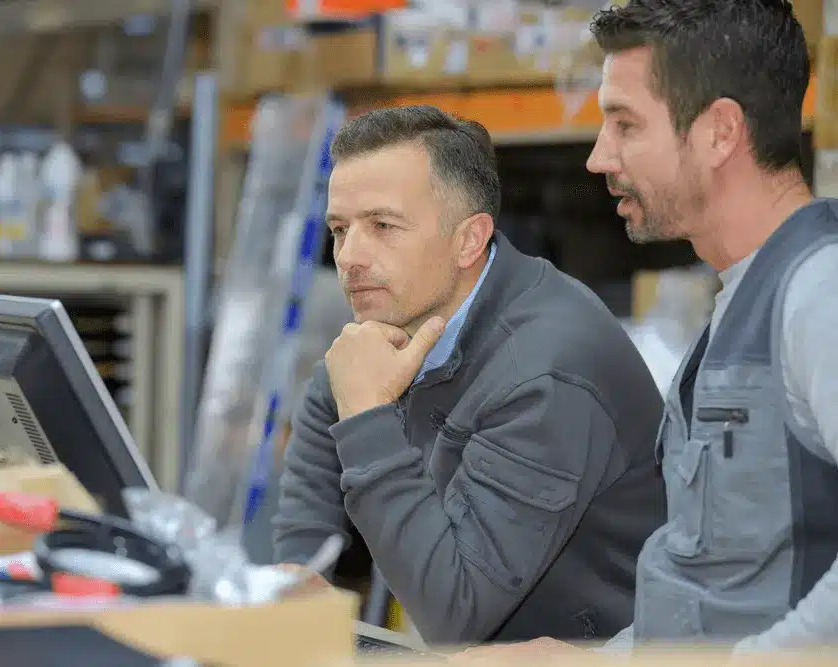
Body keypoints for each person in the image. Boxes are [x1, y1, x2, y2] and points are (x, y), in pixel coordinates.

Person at [454, 0, 838, 661]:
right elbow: (711, 588)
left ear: (720, 133)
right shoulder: (741, 304)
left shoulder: (817, 292)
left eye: (626, 125)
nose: (599, 158)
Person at [271, 104, 666, 645]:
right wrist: (303, 566)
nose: (350, 256)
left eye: (383, 226)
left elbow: (455, 615)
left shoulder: (545, 374)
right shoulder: (412, 306)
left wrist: (368, 419)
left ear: (468, 240)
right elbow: (326, 402)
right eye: (341, 229)